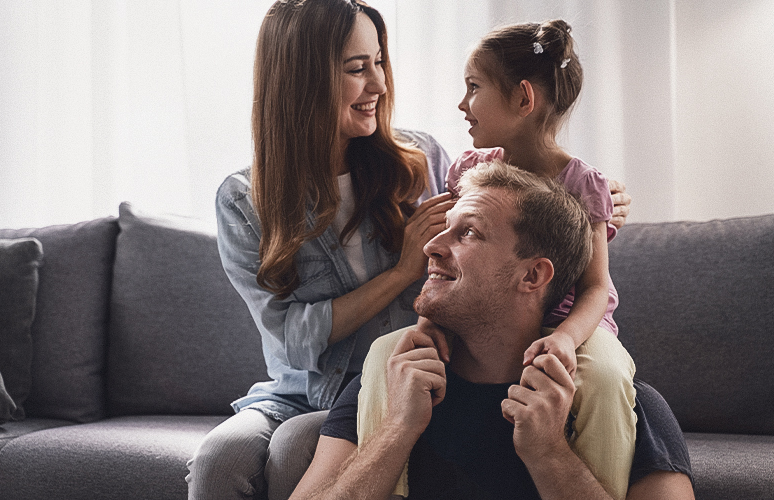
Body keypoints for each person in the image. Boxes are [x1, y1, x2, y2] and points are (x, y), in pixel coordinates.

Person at [187, 3, 633, 499]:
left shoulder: (420, 162)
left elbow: (506, 212)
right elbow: (291, 340)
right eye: (358, 69)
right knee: (218, 457)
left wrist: (584, 205)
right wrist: (402, 273)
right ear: (303, 80)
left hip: (417, 367)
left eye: (379, 62)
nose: (379, 83)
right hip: (304, 389)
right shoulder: (244, 200)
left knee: (296, 446)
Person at [291, 160, 694, 500]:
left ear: (533, 275)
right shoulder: (393, 378)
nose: (430, 246)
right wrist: (396, 431)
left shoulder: (626, 403)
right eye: (445, 227)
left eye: (468, 232)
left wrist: (550, 456)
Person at [411, 20, 635, 499]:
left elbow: (597, 287)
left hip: (569, 323)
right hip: (489, 316)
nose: (461, 103)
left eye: (473, 87)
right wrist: (437, 319)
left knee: (607, 375)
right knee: (390, 355)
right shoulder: (471, 169)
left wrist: (565, 340)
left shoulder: (583, 184)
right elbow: (453, 256)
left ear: (523, 99)